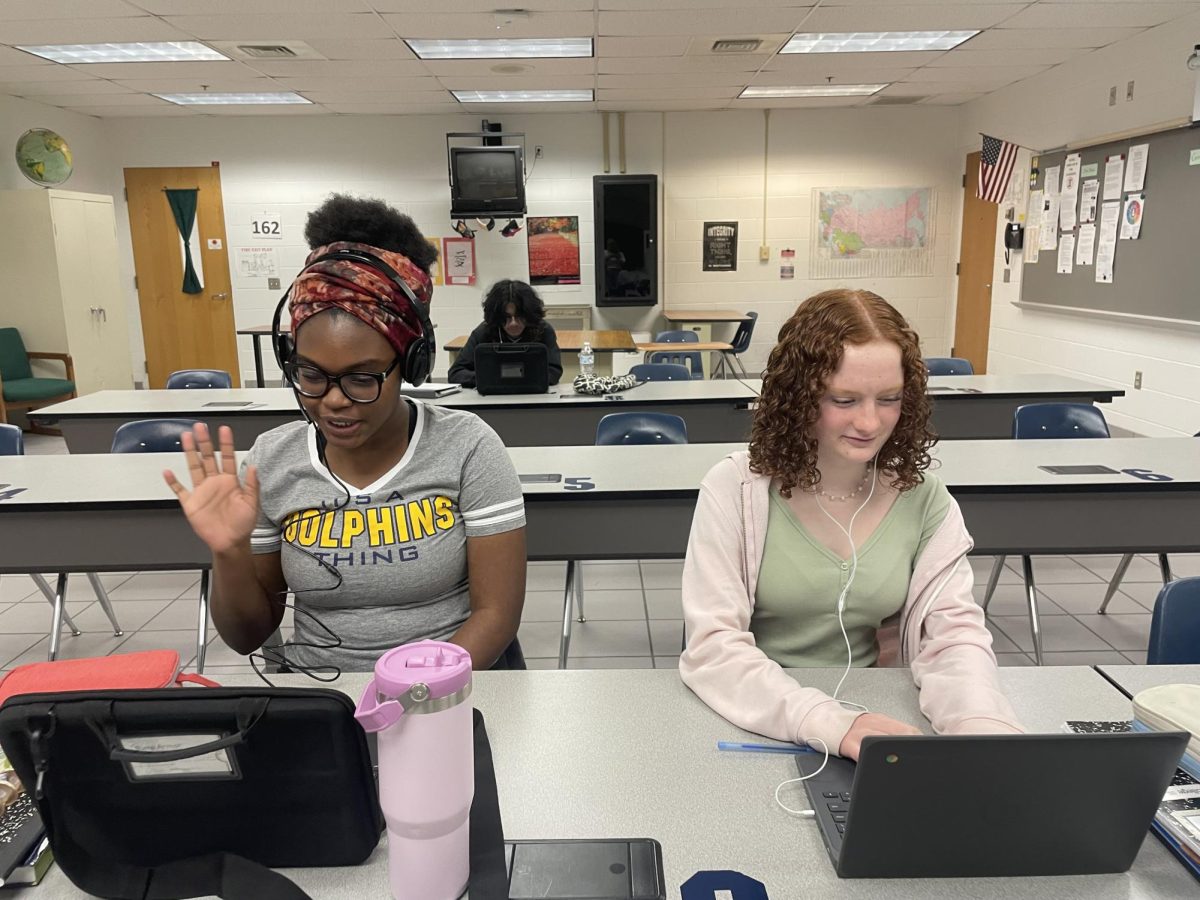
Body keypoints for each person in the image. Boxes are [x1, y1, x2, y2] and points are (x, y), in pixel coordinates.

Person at [163, 194, 527, 673]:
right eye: (311, 374)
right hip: (322, 697)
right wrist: (228, 553)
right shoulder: (271, 460)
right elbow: (247, 635)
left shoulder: (468, 447)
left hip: (445, 687)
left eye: (362, 378)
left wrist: (412, 697)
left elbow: (496, 615)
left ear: (412, 365)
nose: (333, 400)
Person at [679, 289, 1021, 760]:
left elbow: (954, 639)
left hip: (874, 717)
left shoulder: (924, 500)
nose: (869, 421)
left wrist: (982, 725)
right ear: (798, 397)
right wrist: (828, 722)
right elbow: (713, 648)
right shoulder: (736, 490)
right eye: (843, 399)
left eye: (889, 399)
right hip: (753, 721)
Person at [447, 279, 563, 387]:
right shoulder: (483, 332)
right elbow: (455, 374)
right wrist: (490, 378)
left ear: (529, 315)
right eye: (506, 317)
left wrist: (508, 378)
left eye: (519, 316)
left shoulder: (543, 330)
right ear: (496, 317)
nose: (513, 323)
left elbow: (554, 372)